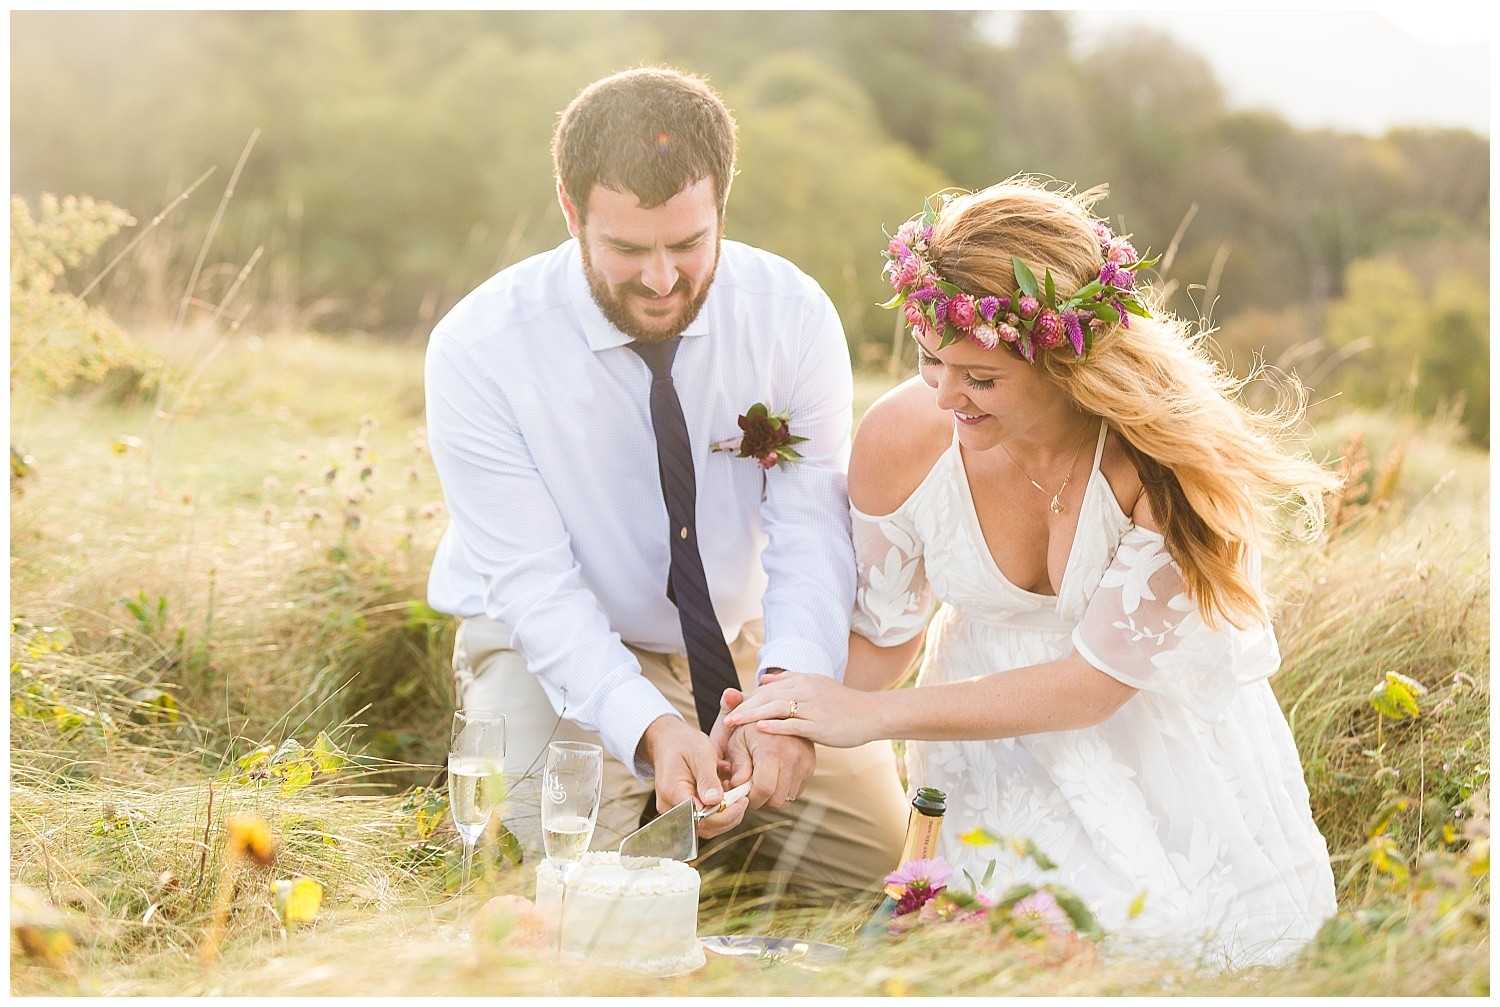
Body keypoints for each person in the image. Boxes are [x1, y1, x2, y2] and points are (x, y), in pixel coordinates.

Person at [723, 177, 1340, 965]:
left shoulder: (1161, 463)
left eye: (981, 379)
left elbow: (1094, 685)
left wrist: (869, 718)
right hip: (985, 757)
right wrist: (776, 713)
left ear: (1065, 361)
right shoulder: (901, 441)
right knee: (992, 960)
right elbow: (881, 644)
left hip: (1155, 750)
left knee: (1183, 954)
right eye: (929, 361)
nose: (948, 396)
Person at [423, 66, 906, 893]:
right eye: (626, 249)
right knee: (551, 891)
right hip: (548, 645)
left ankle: (699, 837)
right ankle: (652, 816)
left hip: (740, 643)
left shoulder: (792, 315)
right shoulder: (479, 349)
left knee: (885, 873)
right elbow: (536, 586)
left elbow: (809, 532)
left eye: (688, 244)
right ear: (572, 214)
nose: (659, 279)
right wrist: (645, 724)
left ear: (723, 205)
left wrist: (786, 701)